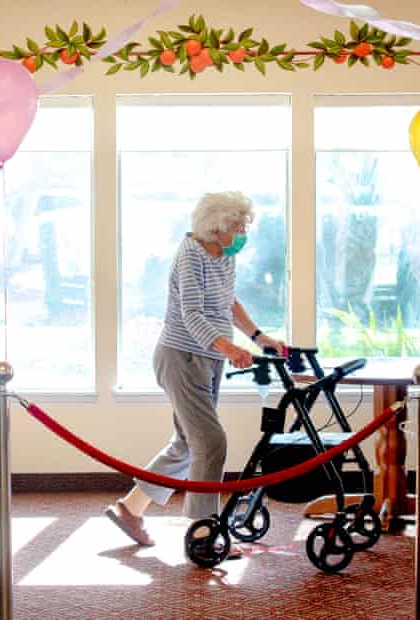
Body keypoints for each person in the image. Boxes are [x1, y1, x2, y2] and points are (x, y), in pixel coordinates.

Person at [105, 191, 285, 556]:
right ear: (215, 228)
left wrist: (257, 337)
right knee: (210, 442)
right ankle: (203, 534)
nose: (242, 233)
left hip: (207, 357)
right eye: (237, 227)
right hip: (181, 356)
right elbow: (192, 314)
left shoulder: (223, 256)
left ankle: (130, 509)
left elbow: (227, 302)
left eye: (244, 226)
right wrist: (230, 348)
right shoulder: (190, 255)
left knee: (189, 443)